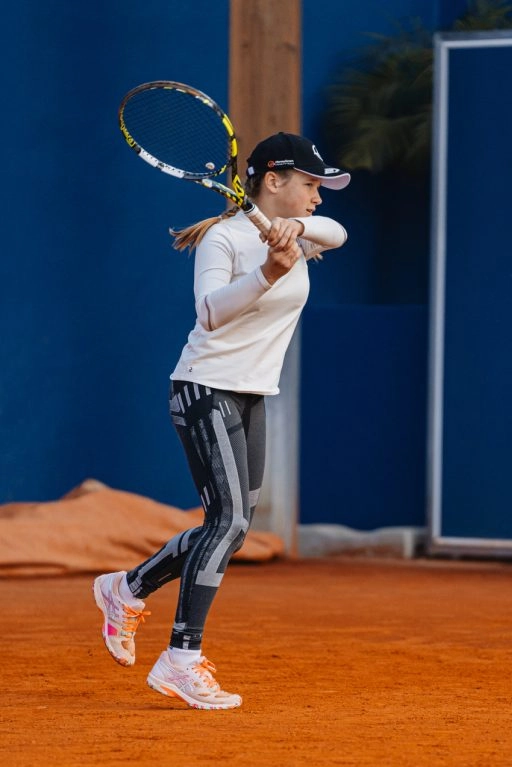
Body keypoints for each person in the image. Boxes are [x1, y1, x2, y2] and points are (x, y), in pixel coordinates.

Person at [93, 132, 350, 710]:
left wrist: (295, 235)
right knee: (230, 522)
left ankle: (125, 589)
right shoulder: (223, 237)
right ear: (273, 180)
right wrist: (268, 273)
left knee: (227, 526)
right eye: (310, 185)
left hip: (253, 394)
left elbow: (338, 232)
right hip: (204, 388)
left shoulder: (302, 235)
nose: (318, 197)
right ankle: (180, 659)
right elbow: (209, 315)